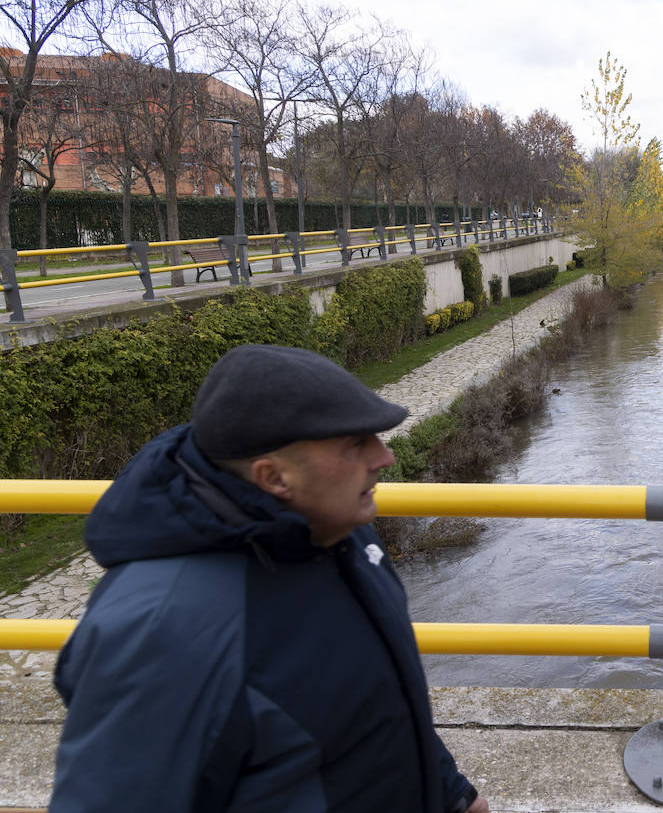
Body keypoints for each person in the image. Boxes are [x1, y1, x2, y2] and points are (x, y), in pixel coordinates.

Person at [50, 344, 489, 813]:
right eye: (356, 443)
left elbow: (372, 698)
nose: (385, 456)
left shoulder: (339, 532)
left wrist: (451, 792)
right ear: (274, 478)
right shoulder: (159, 631)